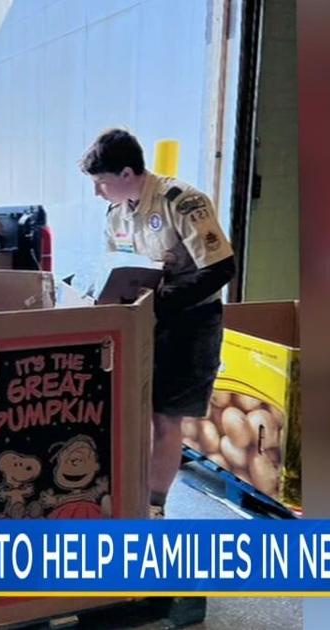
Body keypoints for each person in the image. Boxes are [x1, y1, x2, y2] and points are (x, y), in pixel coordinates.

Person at [79, 128, 236, 517]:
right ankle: (130, 494)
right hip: (141, 325)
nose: (98, 192)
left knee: (165, 418)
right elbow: (115, 267)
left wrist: (160, 303)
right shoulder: (117, 214)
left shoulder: (181, 202)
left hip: (188, 324)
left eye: (102, 183)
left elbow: (220, 268)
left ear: (127, 173)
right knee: (135, 414)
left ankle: (154, 507)